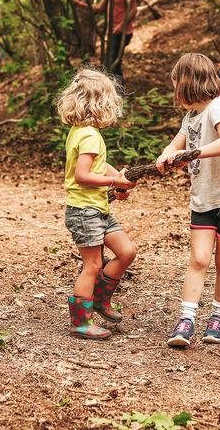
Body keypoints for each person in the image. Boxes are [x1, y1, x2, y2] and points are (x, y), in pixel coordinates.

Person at [156, 53, 220, 348]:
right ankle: (186, 320)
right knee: (198, 259)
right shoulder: (191, 117)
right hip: (203, 200)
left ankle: (218, 318)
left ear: (188, 83)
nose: (175, 93)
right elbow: (176, 144)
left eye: (176, 85)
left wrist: (192, 154)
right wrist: (166, 155)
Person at [56, 68, 138, 339]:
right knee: (92, 265)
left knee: (127, 252)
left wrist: (119, 177)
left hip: (98, 210)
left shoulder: (81, 131)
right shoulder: (88, 135)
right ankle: (80, 322)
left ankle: (100, 299)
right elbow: (82, 175)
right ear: (101, 103)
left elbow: (98, 166)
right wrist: (114, 184)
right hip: (85, 212)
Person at [72, 0, 138, 85]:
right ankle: (117, 92)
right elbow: (99, 8)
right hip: (112, 32)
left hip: (122, 33)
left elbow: (133, 9)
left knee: (113, 64)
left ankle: (119, 94)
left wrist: (121, 26)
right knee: (112, 64)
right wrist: (80, 4)